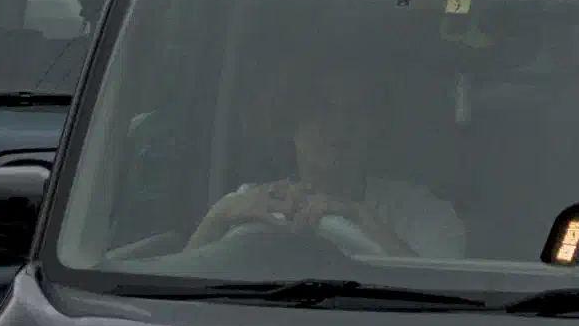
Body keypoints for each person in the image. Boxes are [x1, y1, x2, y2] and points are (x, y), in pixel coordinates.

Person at [185, 101, 467, 263]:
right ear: (288, 123)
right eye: (320, 109)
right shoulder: (251, 201)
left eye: (354, 111)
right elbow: (183, 288)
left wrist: (359, 216)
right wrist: (218, 217)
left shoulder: (421, 210)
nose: (338, 125)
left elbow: (451, 304)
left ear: (375, 128)